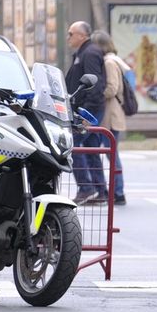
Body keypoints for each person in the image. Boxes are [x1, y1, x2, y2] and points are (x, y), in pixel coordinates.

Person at [64, 21, 107, 205]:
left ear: (82, 35)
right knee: (90, 150)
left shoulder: (90, 53)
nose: (68, 37)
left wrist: (86, 113)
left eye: (71, 33)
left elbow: (95, 85)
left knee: (74, 148)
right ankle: (100, 189)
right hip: (84, 108)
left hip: (87, 110)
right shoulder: (83, 52)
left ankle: (86, 187)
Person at [91, 30, 129, 207]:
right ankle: (117, 191)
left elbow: (112, 88)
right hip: (114, 113)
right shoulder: (115, 60)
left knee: (112, 153)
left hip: (111, 113)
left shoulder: (108, 63)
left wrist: (98, 94)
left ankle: (118, 191)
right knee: (112, 153)